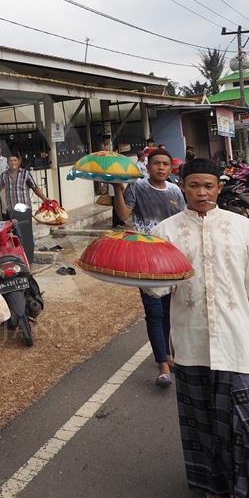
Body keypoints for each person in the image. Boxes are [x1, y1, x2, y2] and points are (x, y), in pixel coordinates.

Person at [150, 159, 249, 498]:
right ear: (183, 186)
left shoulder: (241, 228)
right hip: (191, 344)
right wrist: (143, 278)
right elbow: (160, 288)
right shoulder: (166, 232)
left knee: (242, 423)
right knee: (203, 423)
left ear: (218, 187)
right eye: (194, 185)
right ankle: (217, 484)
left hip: (235, 342)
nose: (202, 193)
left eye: (209, 186)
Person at [111, 149, 186, 387]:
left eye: (165, 164)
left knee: (169, 312)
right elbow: (124, 215)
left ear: (170, 168)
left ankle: (169, 355)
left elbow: (183, 223)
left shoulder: (175, 191)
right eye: (156, 164)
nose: (161, 168)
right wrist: (116, 188)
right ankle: (163, 365)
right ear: (148, 166)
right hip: (146, 260)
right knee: (154, 312)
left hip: (171, 260)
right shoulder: (138, 187)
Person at [0, 154, 52, 264]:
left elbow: (35, 188)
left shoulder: (26, 174)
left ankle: (28, 262)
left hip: (25, 211)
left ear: (19, 161)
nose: (13, 163)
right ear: (8, 162)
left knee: (27, 238)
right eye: (11, 160)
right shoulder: (4, 176)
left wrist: (45, 199)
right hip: (12, 212)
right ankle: (20, 260)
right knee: (16, 237)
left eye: (15, 160)